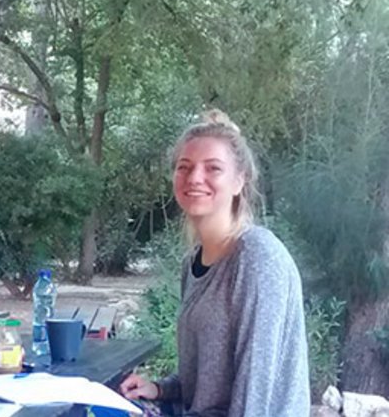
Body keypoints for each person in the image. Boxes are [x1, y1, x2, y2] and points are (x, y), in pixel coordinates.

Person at [119, 110, 309, 416]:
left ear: (239, 181)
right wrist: (160, 389)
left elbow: (254, 400)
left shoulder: (257, 257)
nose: (194, 177)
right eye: (184, 167)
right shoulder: (192, 262)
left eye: (213, 168)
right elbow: (205, 382)